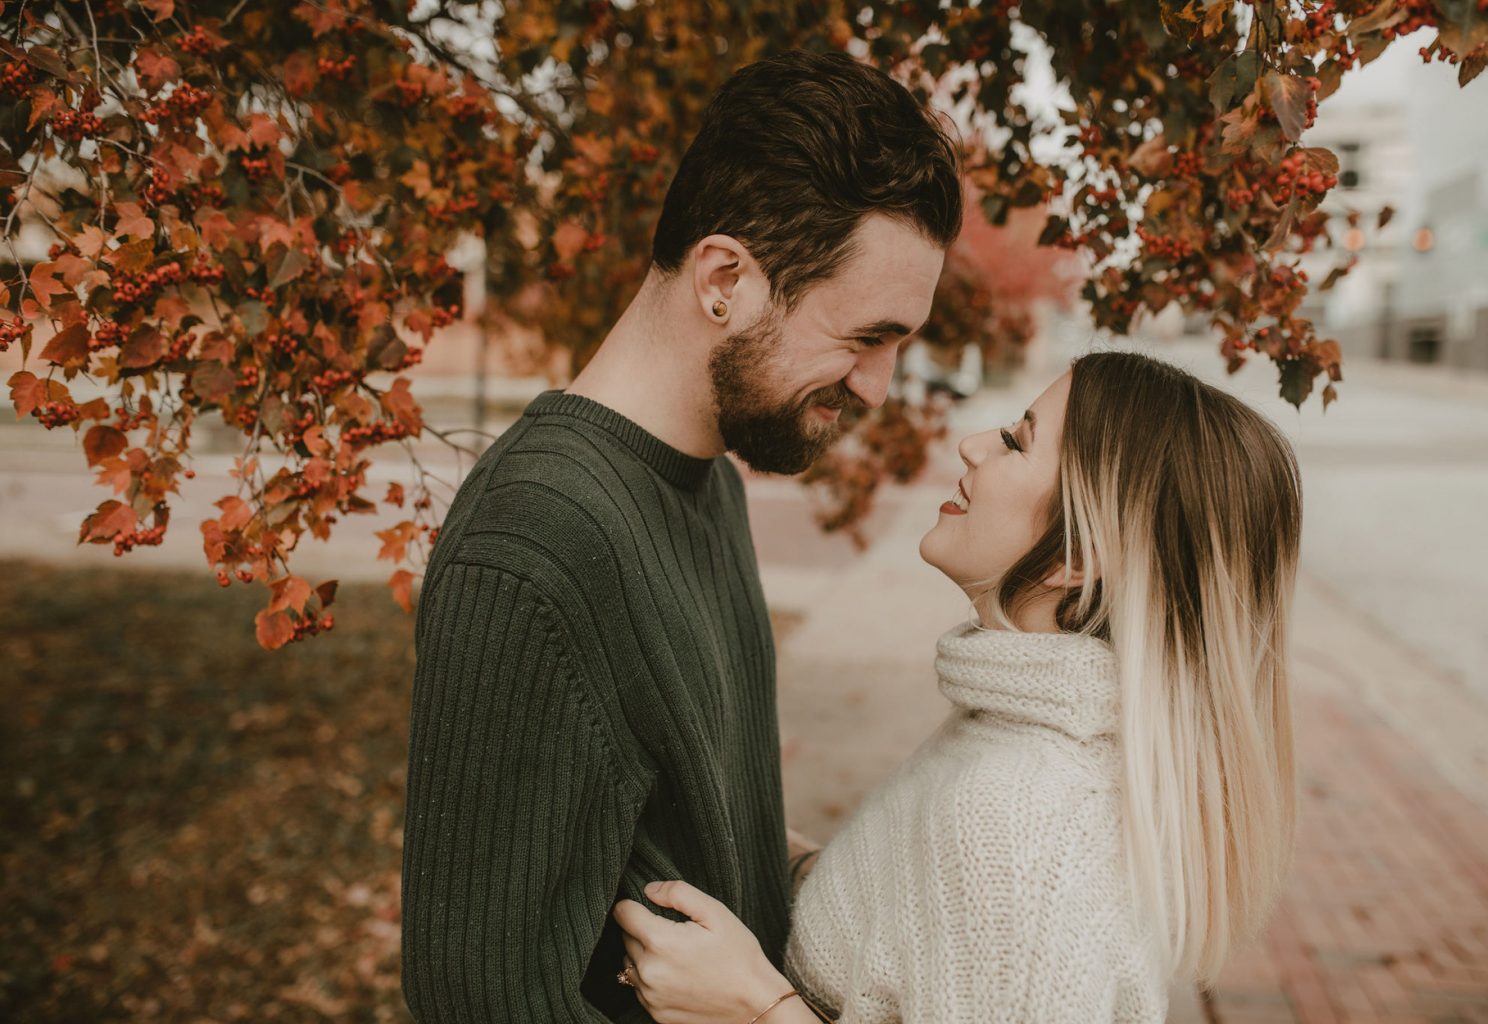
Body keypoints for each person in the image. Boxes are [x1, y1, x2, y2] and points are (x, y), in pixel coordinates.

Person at [399, 50, 963, 1023]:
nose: (877, 385)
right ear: (724, 279)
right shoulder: (534, 545)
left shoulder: (709, 489)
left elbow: (697, 833)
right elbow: (476, 999)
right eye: (866, 336)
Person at [612, 350, 1303, 1023]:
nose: (974, 447)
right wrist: (796, 862)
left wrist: (755, 1009)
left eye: (1015, 442)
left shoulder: (1017, 819)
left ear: (1078, 555)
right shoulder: (1023, 732)